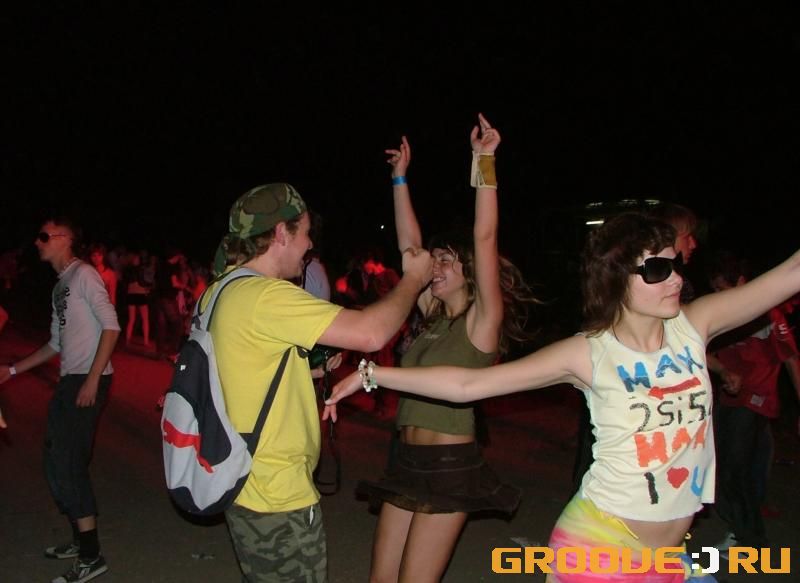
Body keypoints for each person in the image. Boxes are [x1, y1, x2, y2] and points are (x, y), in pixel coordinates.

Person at [326, 211, 800, 581]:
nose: (676, 278)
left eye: (674, 265)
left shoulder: (695, 325)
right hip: (598, 544)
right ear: (616, 276)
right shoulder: (588, 352)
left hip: (670, 555)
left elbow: (788, 274)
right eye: (657, 268)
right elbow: (468, 385)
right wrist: (373, 374)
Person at [208, 183, 432, 582]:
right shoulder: (265, 295)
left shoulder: (221, 289)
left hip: (240, 479)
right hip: (276, 494)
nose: (310, 245)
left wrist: (305, 371)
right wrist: (413, 279)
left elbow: (239, 367)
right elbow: (371, 333)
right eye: (306, 233)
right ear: (281, 233)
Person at [352, 114, 536, 582]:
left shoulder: (482, 322)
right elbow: (410, 250)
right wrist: (399, 179)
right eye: (435, 261)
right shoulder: (432, 316)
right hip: (405, 459)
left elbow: (485, 236)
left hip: (450, 467)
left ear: (469, 270)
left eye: (446, 261)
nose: (434, 268)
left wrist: (484, 161)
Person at [0, 217, 119, 583]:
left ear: (65, 238)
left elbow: (111, 326)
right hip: (71, 379)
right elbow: (55, 343)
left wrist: (93, 379)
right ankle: (79, 540)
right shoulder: (61, 286)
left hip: (87, 378)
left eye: (44, 236)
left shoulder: (84, 275)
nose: (38, 242)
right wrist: (12, 370)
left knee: (69, 464)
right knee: (56, 459)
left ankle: (91, 557)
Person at [572, 202, 701, 490]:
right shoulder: (591, 347)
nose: (693, 243)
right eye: (686, 235)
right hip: (612, 500)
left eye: (675, 266)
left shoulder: (688, 311)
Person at [707, 252, 800, 554]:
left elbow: (791, 359)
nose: (718, 294)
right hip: (729, 398)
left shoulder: (766, 315)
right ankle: (742, 527)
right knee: (723, 466)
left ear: (741, 282)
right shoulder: (722, 314)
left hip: (757, 400)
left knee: (736, 469)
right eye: (715, 288)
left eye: (722, 287)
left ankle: (749, 538)